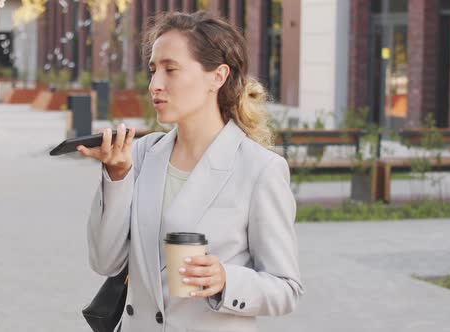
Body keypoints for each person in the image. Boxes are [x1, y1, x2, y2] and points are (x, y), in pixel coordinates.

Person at [78, 11, 303, 332]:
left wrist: (226, 280)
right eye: (153, 70)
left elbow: (286, 289)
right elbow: (104, 262)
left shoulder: (260, 169)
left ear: (217, 76)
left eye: (171, 70)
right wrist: (116, 178)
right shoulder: (141, 154)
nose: (155, 84)